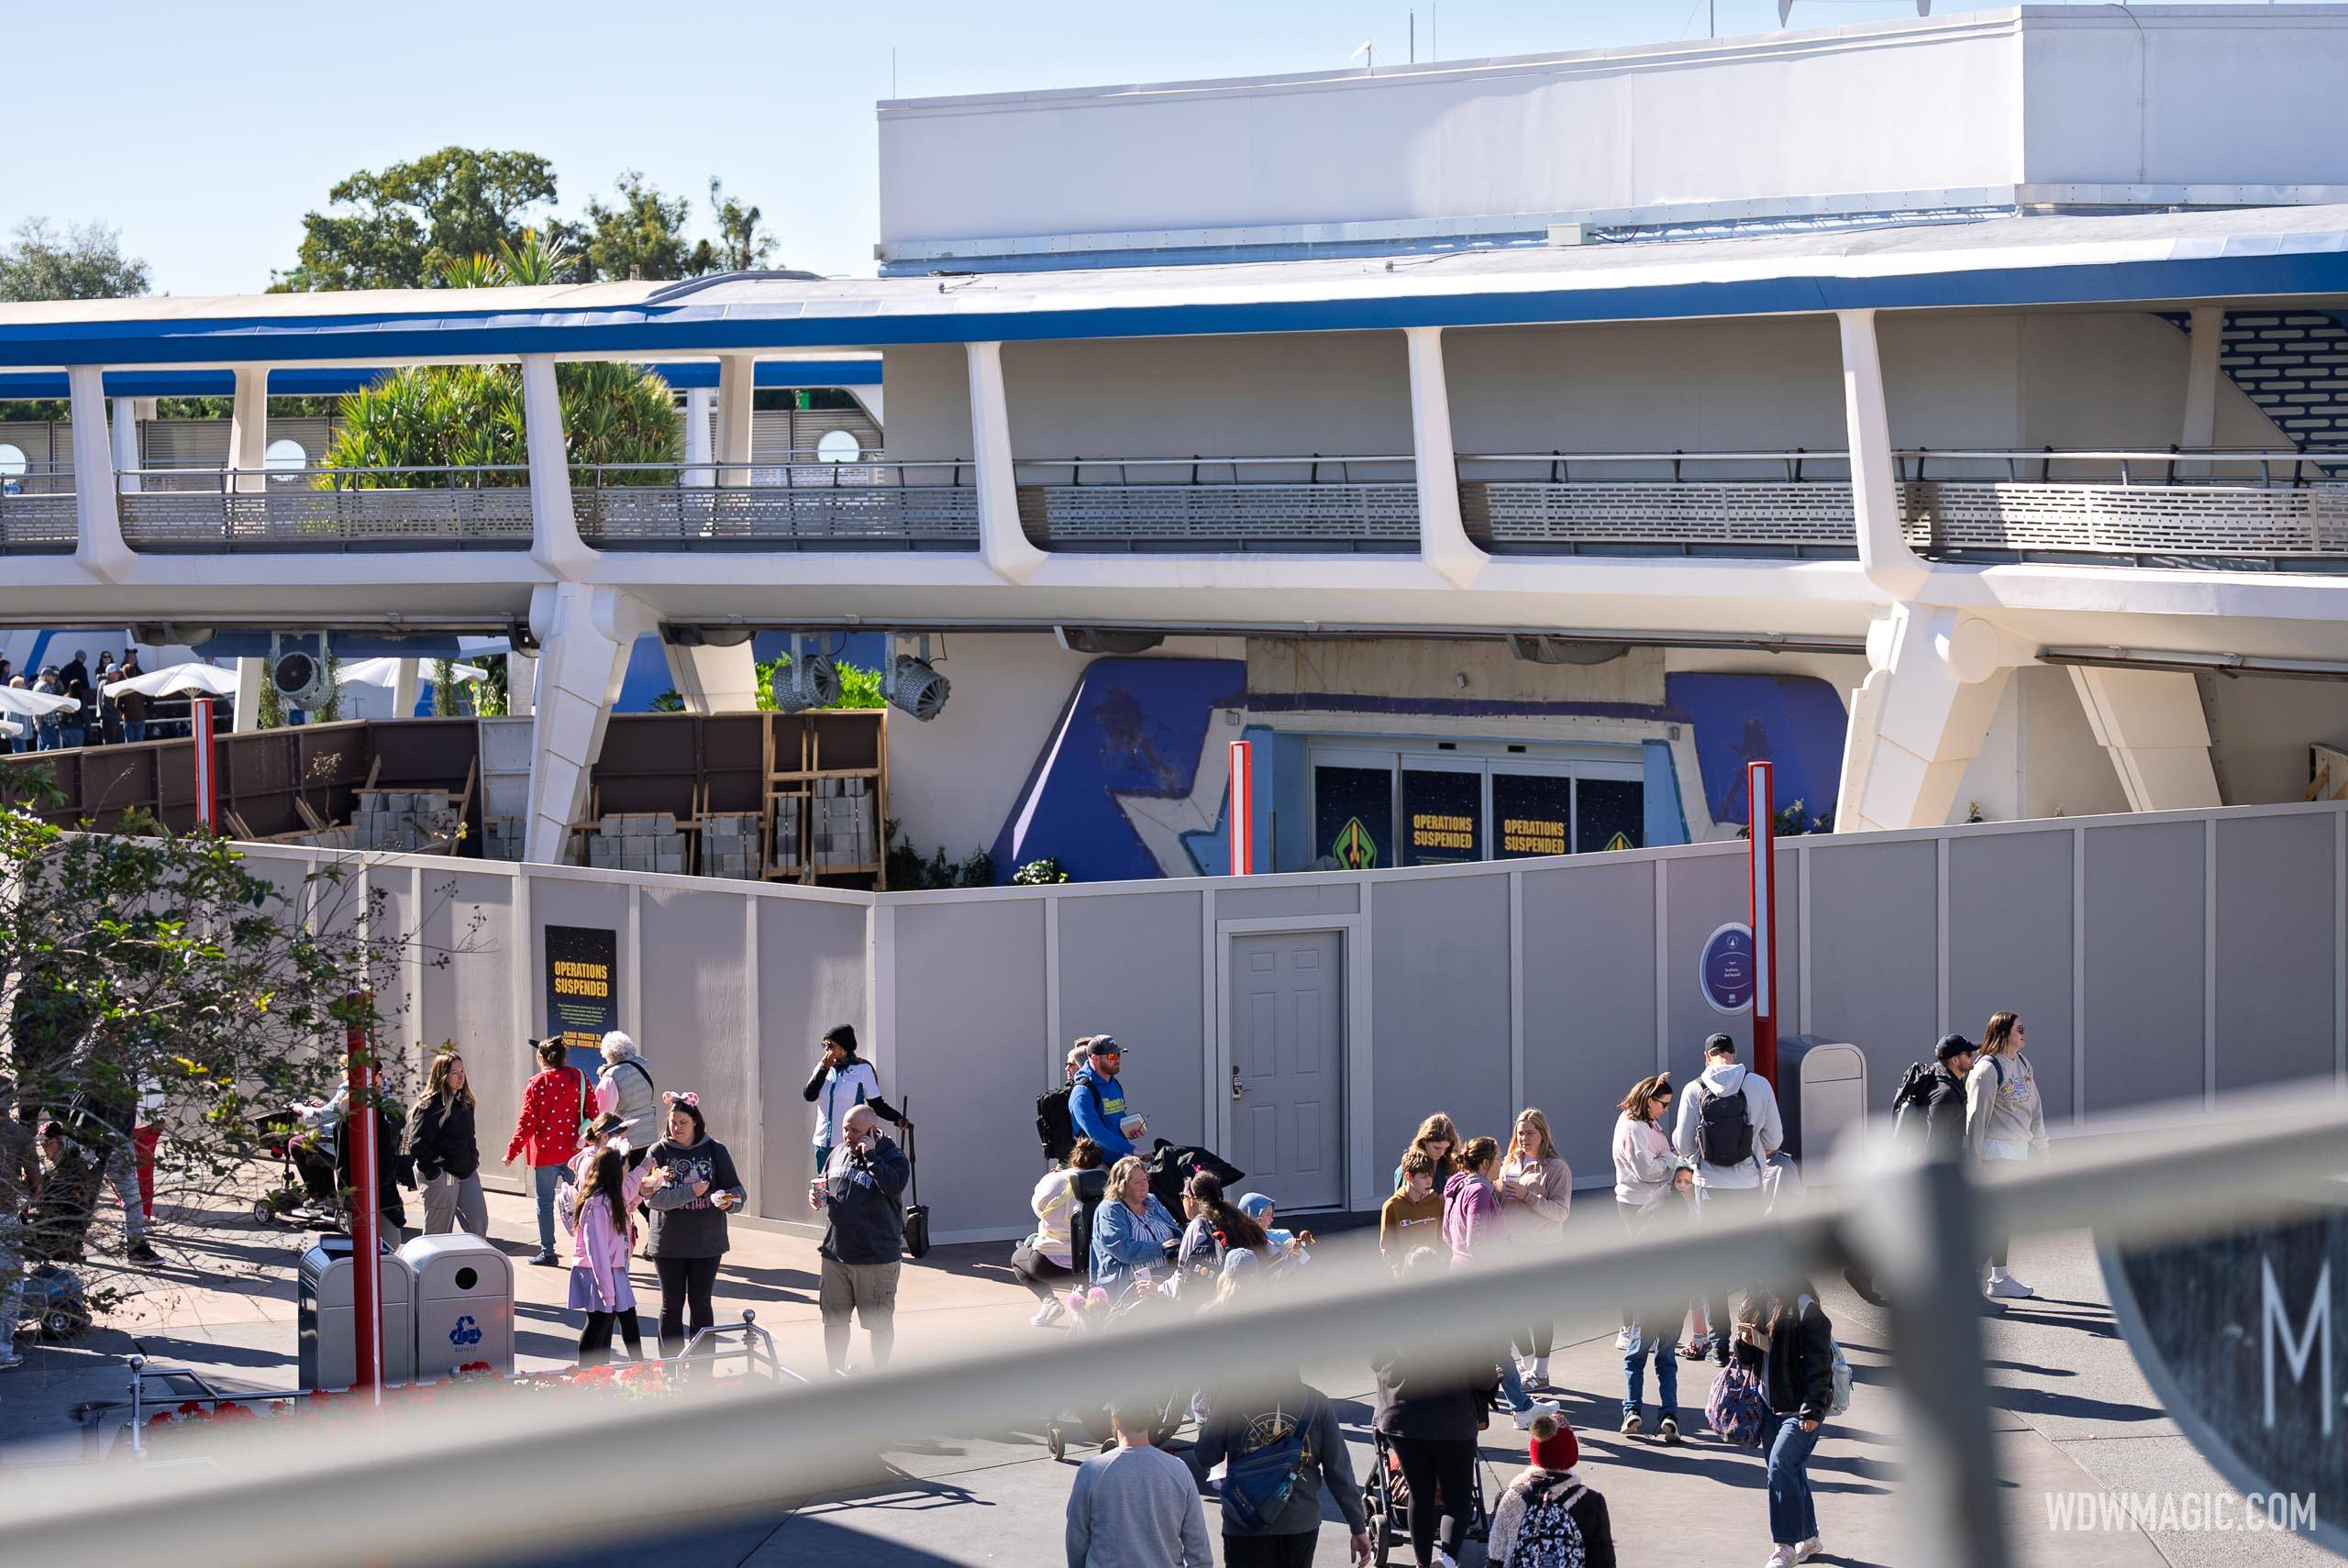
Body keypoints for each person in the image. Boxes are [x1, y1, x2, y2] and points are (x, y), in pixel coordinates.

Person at [1374, 1246, 1495, 1568]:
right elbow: (1482, 1372)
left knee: (1420, 1493)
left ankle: (1422, 1563)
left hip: (1403, 1418)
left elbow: (1375, 1360)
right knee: (1457, 1497)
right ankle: (1448, 1559)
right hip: (1452, 1419)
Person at [1673, 1032, 1783, 1362]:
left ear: (1708, 1056)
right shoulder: (1759, 1085)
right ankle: (1752, 1340)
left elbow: (1682, 1145)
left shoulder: (1694, 1090)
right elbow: (1775, 1136)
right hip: (1749, 1189)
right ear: (1734, 1055)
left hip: (1710, 1192)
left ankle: (1720, 1346)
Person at [1194, 1369, 1372, 1568]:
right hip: (1299, 1523)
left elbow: (1205, 1457)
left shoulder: (1232, 1399)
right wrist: (1358, 1527)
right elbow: (1339, 1472)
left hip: (1243, 1520)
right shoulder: (1316, 1403)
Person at [1443, 1136, 1561, 1430]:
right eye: (1496, 1159)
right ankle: (1517, 1408)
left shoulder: (1457, 1188)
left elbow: (1447, 1233)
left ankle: (1520, 1405)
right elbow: (1477, 1241)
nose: (1500, 1163)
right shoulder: (1480, 1192)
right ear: (1484, 1163)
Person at [1736, 1280, 1835, 1567]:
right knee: (1789, 1470)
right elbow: (1746, 1359)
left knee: (1780, 1466)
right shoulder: (1754, 1302)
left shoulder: (1805, 1309)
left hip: (1800, 1410)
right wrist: (1743, 1341)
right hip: (1769, 1406)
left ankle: (1785, 1547)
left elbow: (1821, 1366)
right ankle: (1809, 1537)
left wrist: (1812, 1411)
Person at [640, 1090, 746, 1357]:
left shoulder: (715, 1150)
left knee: (701, 1304)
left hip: (706, 1244)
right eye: (673, 1123)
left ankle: (702, 1370)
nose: (676, 1128)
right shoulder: (658, 1151)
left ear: (696, 1122)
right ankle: (669, 1369)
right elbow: (651, 1199)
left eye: (683, 1123)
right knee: (671, 1304)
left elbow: (738, 1191)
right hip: (668, 1243)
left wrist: (729, 1202)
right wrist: (690, 1193)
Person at [813, 1102, 909, 1374]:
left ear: (872, 1131)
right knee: (833, 1320)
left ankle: (879, 1375)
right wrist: (817, 1198)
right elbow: (825, 1183)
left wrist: (872, 1157)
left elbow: (893, 1186)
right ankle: (834, 1371)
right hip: (835, 1254)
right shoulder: (838, 1152)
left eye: (855, 1131)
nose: (848, 1136)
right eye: (845, 1129)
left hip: (875, 1258)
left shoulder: (894, 1157)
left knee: (877, 1323)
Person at [1064, 1399, 1213, 1568]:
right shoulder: (1179, 1470)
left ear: (1115, 1420)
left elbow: (1076, 1539)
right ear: (1150, 1421)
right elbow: (1199, 1550)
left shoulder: (1091, 1471)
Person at [1968, 1010, 2049, 1303]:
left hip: (2018, 1152)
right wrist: (1973, 1160)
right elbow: (1976, 1117)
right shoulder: (1988, 1069)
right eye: (2019, 1028)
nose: (2024, 1032)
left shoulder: (2023, 1063)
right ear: (2003, 1033)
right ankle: (1971, 1281)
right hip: (1994, 1155)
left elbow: (2034, 1108)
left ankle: (1999, 1278)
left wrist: (2041, 1147)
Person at [1498, 1107, 1571, 1388]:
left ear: (1543, 1135)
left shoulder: (1556, 1168)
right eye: (1520, 1133)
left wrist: (1529, 1196)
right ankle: (1526, 1365)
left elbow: (1561, 1212)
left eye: (1530, 1133)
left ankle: (1541, 1371)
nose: (1524, 1138)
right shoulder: (1510, 1163)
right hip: (1512, 1248)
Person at [1487, 1413, 1619, 1568]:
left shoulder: (1508, 1498)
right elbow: (1603, 1561)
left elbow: (1494, 1558)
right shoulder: (1590, 1501)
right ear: (1571, 1454)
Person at [504, 1038, 593, 1265]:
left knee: (544, 1203)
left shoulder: (536, 1083)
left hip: (545, 1154)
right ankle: (590, 1249)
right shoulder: (580, 1078)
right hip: (577, 1153)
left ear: (541, 1058)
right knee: (586, 1201)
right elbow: (594, 1113)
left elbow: (526, 1123)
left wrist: (512, 1152)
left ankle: (548, 1252)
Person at [564, 1141, 647, 1365]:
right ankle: (586, 1375)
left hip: (612, 1270)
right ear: (615, 1170)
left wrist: (642, 1192)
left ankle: (637, 1369)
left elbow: (626, 1203)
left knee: (626, 1316)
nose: (628, 1171)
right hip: (597, 1272)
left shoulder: (610, 1198)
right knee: (599, 1321)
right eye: (626, 1167)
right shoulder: (596, 1206)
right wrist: (606, 1290)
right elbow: (596, 1252)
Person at [1016, 1136, 1107, 1325]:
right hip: (1092, 1264)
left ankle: (1048, 1300)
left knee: (1018, 1259)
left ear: (1072, 1159)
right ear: (1099, 1163)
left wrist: (1053, 1177)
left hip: (1050, 1265)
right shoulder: (1106, 1183)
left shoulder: (1053, 1180)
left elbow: (1038, 1209)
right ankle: (1081, 1292)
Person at [803, 1023, 908, 1172]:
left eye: (830, 1045)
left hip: (848, 1144)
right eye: (824, 1045)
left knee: (847, 1190)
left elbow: (877, 1104)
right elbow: (809, 1095)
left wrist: (897, 1118)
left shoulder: (862, 1070)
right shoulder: (822, 1068)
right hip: (822, 1145)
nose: (826, 1049)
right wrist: (823, 1069)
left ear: (844, 1049)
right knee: (824, 1191)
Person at [405, 1050, 486, 1236]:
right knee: (438, 1232)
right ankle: (430, 1265)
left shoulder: (466, 1102)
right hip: (443, 1175)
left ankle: (474, 1263)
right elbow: (418, 1145)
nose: (461, 1077)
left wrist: (473, 1158)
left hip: (467, 1172)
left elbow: (469, 1137)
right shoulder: (430, 1106)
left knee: (478, 1222)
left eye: (463, 1071)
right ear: (442, 1076)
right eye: (454, 1073)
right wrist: (434, 1174)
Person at [1090, 1152, 1180, 1292]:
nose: (1144, 1186)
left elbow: (1174, 1228)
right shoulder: (1109, 1210)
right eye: (1137, 1182)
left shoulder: (1151, 1201)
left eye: (1145, 1180)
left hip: (1164, 1274)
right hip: (1130, 1285)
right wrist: (1160, 1248)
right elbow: (1124, 1250)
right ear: (1122, 1185)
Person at [0, 1077, 39, 1371]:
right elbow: (36, 1182)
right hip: (5, 1215)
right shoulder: (18, 1134)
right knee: (10, 1285)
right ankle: (2, 1349)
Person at [1176, 1171, 1268, 1287]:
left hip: (1216, 1296)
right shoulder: (1240, 1220)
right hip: (1250, 1290)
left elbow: (1182, 1274)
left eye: (1183, 1196)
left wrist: (1159, 1289)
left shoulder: (1198, 1226)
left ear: (1192, 1200)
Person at [1070, 1035, 1144, 1162]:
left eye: (1118, 1055)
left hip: (1119, 1160)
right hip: (1094, 1167)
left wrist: (1129, 1130)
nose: (1117, 1060)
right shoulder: (1082, 1093)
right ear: (1095, 1058)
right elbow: (1096, 1133)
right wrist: (1132, 1149)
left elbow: (1117, 1117)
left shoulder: (1114, 1084)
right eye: (1112, 1056)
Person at [593, 1031, 659, 1168]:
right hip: (648, 1133)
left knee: (626, 1183)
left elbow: (603, 1114)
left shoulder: (611, 1078)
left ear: (609, 1055)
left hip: (626, 1140)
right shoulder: (644, 1066)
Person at [1380, 1151, 1444, 1274]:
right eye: (1424, 1177)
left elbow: (1443, 1236)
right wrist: (1401, 1268)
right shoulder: (1392, 1206)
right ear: (1408, 1177)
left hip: (1435, 1274)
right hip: (1407, 1278)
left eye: (1431, 1176)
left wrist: (1442, 1262)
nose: (1429, 1181)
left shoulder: (1437, 1202)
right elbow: (1387, 1245)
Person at [1390, 1113, 1460, 1196]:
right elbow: (1402, 1204)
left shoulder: (1450, 1165)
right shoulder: (1409, 1168)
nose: (1441, 1153)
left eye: (1446, 1149)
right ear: (1424, 1141)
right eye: (1437, 1148)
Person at [1236, 1192, 1312, 1264]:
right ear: (1253, 1216)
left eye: (1271, 1215)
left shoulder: (1284, 1236)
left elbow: (1309, 1265)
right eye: (1268, 1215)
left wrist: (1293, 1258)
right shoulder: (1237, 1247)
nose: (1271, 1219)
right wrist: (1282, 1252)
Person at [114, 654, 150, 744]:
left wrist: (125, 711)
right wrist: (143, 710)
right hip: (140, 717)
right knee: (140, 743)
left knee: (130, 744)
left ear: (124, 674)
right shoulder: (141, 685)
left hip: (129, 718)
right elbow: (150, 702)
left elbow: (117, 705)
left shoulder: (124, 687)